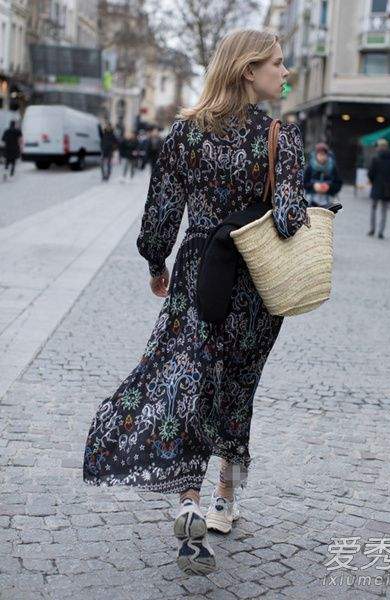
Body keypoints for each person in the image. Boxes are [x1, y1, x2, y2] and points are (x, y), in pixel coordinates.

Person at [83, 29, 310, 575]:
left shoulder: (185, 133)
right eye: (277, 64)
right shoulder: (280, 136)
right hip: (254, 284)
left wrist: (157, 263)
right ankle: (224, 501)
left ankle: (188, 498)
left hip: (196, 277)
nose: (286, 73)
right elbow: (287, 218)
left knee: (190, 378)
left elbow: (160, 214)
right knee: (235, 384)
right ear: (247, 71)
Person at [367, 138, 390, 239]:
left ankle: (372, 229)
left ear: (379, 147)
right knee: (384, 210)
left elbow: (370, 173)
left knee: (373, 208)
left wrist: (373, 180)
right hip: (387, 188)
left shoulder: (375, 158)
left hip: (377, 186)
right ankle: (381, 232)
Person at [304, 142, 342, 208]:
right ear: (316, 155)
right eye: (320, 154)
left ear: (327, 155)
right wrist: (313, 186)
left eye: (324, 154)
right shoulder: (310, 166)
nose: (322, 157)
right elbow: (304, 183)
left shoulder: (333, 167)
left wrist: (329, 187)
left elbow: (338, 184)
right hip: (311, 201)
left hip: (328, 202)